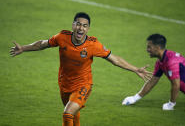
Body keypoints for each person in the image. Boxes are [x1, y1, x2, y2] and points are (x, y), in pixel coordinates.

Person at [10, 12, 152, 126]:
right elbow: (42, 44)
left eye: (84, 26)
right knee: (74, 114)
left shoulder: (93, 45)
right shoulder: (62, 37)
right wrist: (23, 48)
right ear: (73, 25)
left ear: (88, 29)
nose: (81, 28)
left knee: (67, 114)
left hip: (83, 84)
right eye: (78, 24)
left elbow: (114, 59)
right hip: (64, 84)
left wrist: (135, 69)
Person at [122, 34, 185, 110]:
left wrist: (171, 104)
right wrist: (134, 98)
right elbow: (152, 81)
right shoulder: (160, 61)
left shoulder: (171, 61)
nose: (147, 50)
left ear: (157, 48)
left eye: (149, 47)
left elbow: (176, 85)